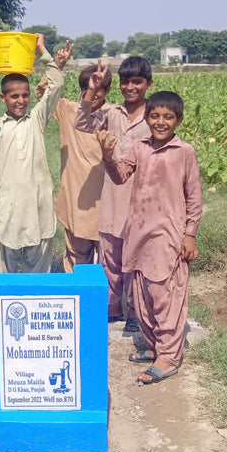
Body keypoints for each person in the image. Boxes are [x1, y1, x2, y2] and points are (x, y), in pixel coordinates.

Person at [98, 91, 202, 384]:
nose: (161, 122)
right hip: (138, 233)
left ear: (178, 120)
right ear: (146, 119)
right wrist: (108, 156)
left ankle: (169, 356)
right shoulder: (139, 148)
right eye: (155, 116)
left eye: (168, 117)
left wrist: (189, 234)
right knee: (141, 295)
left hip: (168, 237)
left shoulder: (184, 152)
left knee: (164, 295)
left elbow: (194, 197)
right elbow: (119, 176)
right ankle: (156, 346)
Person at [0, 36, 72, 273]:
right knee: (3, 270)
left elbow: (56, 84)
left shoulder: (37, 119)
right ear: (3, 99)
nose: (21, 101)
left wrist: (41, 50)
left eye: (25, 95)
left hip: (37, 204)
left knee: (38, 271)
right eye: (14, 96)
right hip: (9, 206)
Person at [74, 56, 154, 331]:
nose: (130, 87)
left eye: (137, 82)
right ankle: (111, 308)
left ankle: (134, 311)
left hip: (143, 201)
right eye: (125, 82)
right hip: (112, 197)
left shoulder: (154, 116)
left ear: (149, 84)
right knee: (110, 258)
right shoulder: (111, 113)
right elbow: (82, 124)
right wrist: (92, 90)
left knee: (137, 259)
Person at [35, 66, 112, 274]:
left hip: (107, 200)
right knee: (78, 260)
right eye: (87, 89)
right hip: (76, 200)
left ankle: (106, 304)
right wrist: (56, 67)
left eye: (98, 89)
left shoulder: (114, 116)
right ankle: (77, 299)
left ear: (107, 90)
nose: (93, 94)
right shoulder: (68, 109)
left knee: (108, 262)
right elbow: (42, 94)